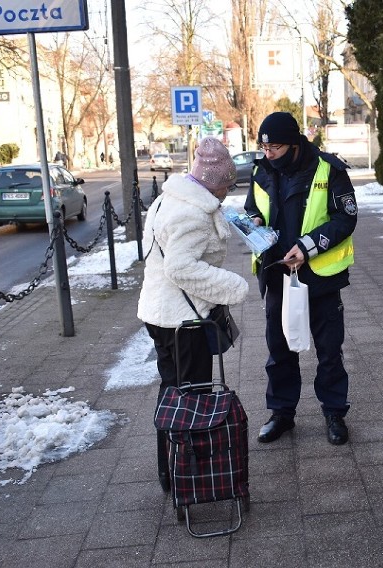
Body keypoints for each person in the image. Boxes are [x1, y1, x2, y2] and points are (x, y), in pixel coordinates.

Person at [137, 136, 249, 490]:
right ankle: (187, 468)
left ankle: (171, 469)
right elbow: (181, 268)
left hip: (161, 313)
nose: (226, 194)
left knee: (172, 391)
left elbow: (152, 250)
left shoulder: (170, 198)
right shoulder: (191, 213)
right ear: (214, 184)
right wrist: (233, 285)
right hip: (182, 322)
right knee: (189, 398)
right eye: (226, 187)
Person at [244, 111, 357, 445]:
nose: (269, 154)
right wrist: (252, 226)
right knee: (278, 350)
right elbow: (253, 208)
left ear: (293, 143)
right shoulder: (260, 170)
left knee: (329, 350)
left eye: (275, 147)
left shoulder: (328, 169)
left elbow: (345, 218)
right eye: (265, 148)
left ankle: (334, 412)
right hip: (276, 272)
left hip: (320, 276)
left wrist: (307, 247)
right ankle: (281, 413)